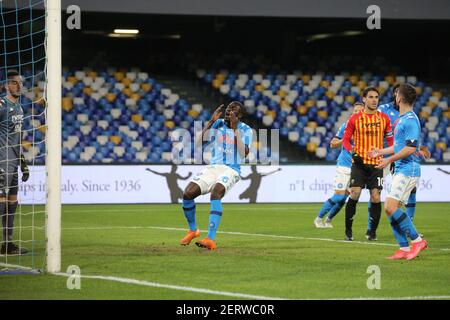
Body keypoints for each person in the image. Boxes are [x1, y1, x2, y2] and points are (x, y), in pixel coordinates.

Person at [179, 101, 252, 250]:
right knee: (188, 194)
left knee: (216, 193)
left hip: (231, 169)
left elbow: (244, 153)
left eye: (233, 110)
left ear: (239, 115)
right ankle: (193, 230)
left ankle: (210, 239)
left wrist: (235, 129)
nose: (229, 111)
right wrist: (211, 121)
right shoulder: (218, 124)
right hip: (213, 167)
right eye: (228, 108)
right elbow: (200, 142)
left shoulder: (246, 130)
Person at [368, 83, 427, 260]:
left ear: (400, 98)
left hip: (409, 169)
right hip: (401, 168)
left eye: (396, 94)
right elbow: (398, 146)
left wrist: (389, 160)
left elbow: (410, 148)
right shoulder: (403, 118)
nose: (394, 96)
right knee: (389, 208)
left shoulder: (409, 119)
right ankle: (403, 248)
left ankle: (417, 241)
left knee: (390, 206)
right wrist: (380, 151)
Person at [342, 87, 393, 241]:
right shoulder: (355, 118)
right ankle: (348, 230)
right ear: (364, 99)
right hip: (359, 162)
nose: (374, 100)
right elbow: (345, 140)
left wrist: (387, 156)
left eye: (376, 97)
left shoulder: (384, 118)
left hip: (377, 164)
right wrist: (353, 151)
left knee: (376, 196)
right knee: (355, 192)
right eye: (370, 97)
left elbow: (391, 141)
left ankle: (372, 232)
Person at [314, 102, 364, 228]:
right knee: (338, 196)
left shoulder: (368, 129)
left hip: (357, 168)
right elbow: (332, 144)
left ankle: (328, 220)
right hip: (344, 166)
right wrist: (345, 139)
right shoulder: (346, 126)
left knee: (344, 199)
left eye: (360, 111)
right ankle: (318, 219)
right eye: (355, 111)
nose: (356, 113)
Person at [0, 70, 29, 255]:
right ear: (6, 86)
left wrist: (23, 161)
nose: (18, 85)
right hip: (2, 159)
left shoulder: (20, 108)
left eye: (20, 83)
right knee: (2, 201)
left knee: (12, 202)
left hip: (14, 161)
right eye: (14, 83)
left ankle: (7, 244)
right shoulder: (2, 104)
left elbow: (17, 139)